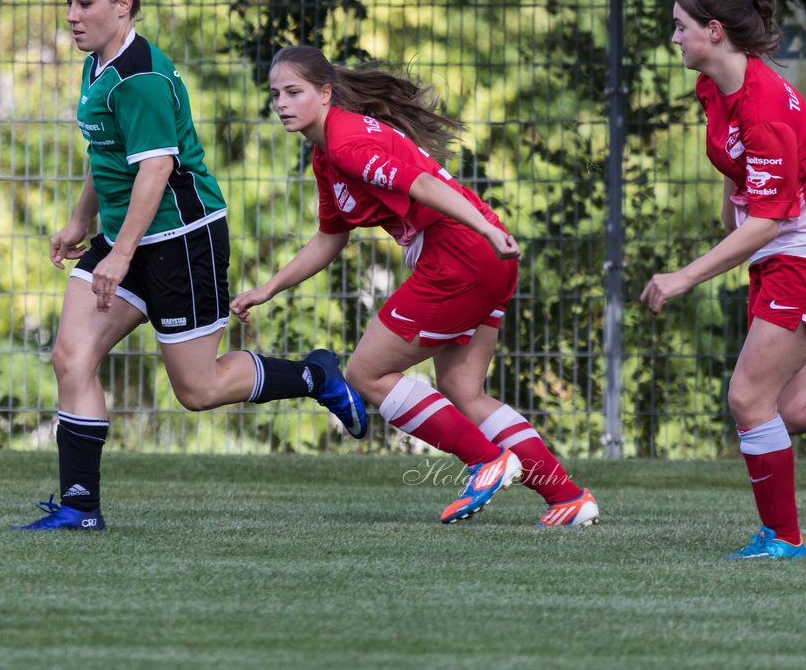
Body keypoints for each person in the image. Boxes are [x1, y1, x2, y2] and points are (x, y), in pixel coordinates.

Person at [13, 0, 368, 531]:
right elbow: (108, 155)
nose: (73, 15)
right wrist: (82, 222)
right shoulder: (98, 64)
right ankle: (80, 507)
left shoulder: (142, 78)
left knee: (198, 390)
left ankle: (316, 377)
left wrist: (121, 253)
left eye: (85, 3)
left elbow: (155, 169)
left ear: (122, 6)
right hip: (127, 237)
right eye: (70, 2)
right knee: (71, 355)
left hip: (183, 239)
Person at [231, 45, 599, 526]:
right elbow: (330, 238)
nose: (281, 103)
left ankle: (486, 461)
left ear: (325, 94)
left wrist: (485, 230)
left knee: (366, 374)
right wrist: (269, 288)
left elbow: (421, 186)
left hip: (460, 254)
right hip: (483, 255)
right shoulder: (329, 152)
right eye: (275, 93)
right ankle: (568, 497)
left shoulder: (345, 143)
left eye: (293, 92)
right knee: (463, 388)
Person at [641, 0, 806, 559]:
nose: (674, 38)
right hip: (781, 252)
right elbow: (743, 182)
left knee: (748, 398)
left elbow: (769, 219)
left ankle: (782, 539)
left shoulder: (766, 108)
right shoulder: (717, 87)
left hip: (797, 257)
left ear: (714, 31)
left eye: (680, 27)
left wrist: (684, 276)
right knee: (790, 408)